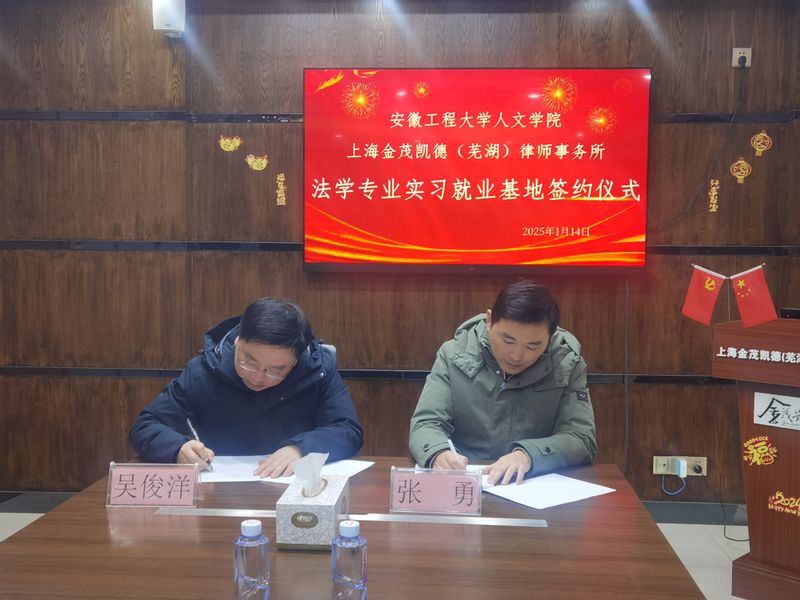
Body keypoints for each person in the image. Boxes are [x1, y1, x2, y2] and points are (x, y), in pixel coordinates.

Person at [129, 297, 363, 478]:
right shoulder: (203, 372)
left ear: (295, 361)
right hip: (219, 497)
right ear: (237, 342)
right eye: (249, 363)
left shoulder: (317, 371)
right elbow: (145, 426)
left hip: (294, 493)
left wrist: (300, 449)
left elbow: (347, 430)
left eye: (275, 371)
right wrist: (177, 448)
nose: (258, 378)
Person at [409, 280, 597, 485]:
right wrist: (438, 453)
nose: (516, 355)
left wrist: (528, 455)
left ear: (550, 337)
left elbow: (581, 439)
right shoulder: (454, 354)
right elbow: (426, 423)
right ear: (489, 321)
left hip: (532, 481)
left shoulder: (567, 363)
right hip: (466, 481)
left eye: (532, 346)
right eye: (508, 340)